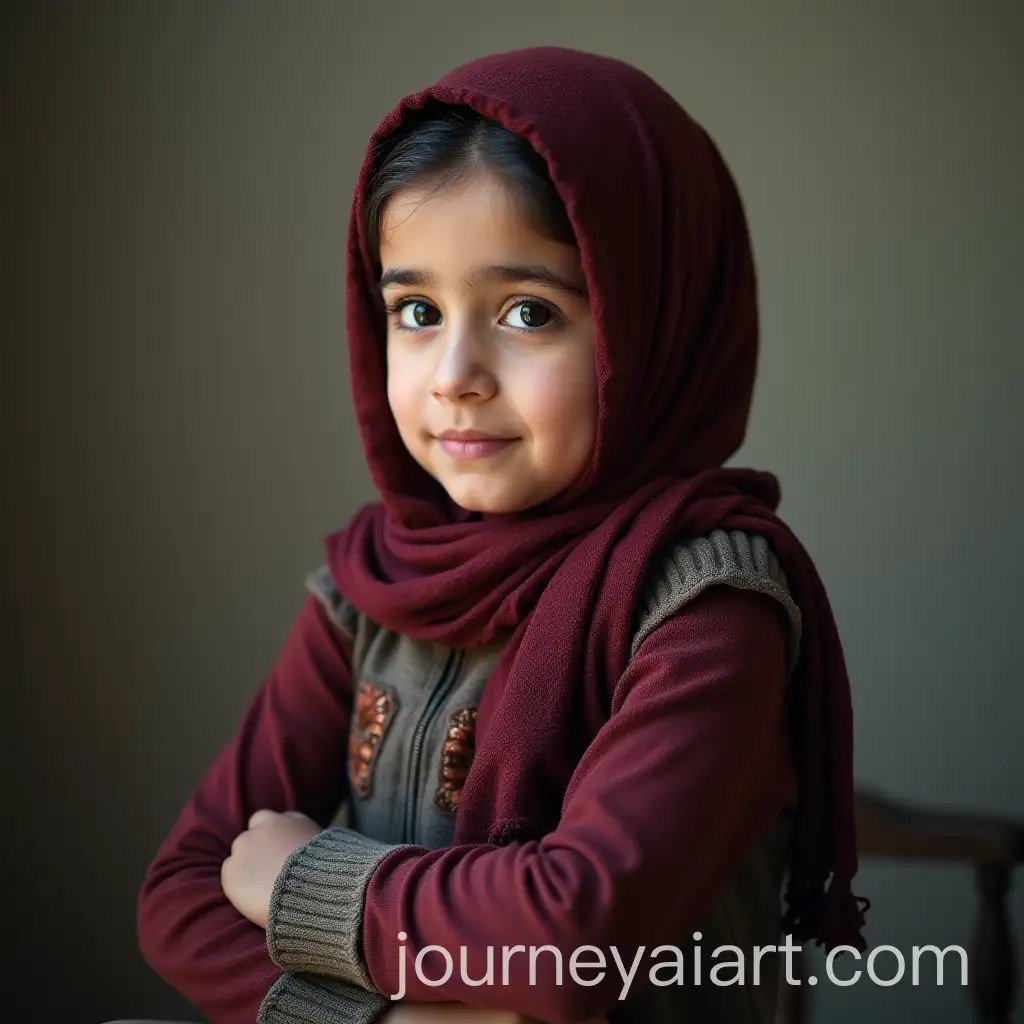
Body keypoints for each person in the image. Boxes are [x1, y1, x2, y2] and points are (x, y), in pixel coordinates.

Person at [134, 45, 868, 1024]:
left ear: (656, 324)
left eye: (528, 312)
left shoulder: (706, 605)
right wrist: (387, 1021)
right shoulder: (369, 588)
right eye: (416, 310)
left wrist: (306, 881)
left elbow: (574, 936)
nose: (453, 375)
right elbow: (180, 892)